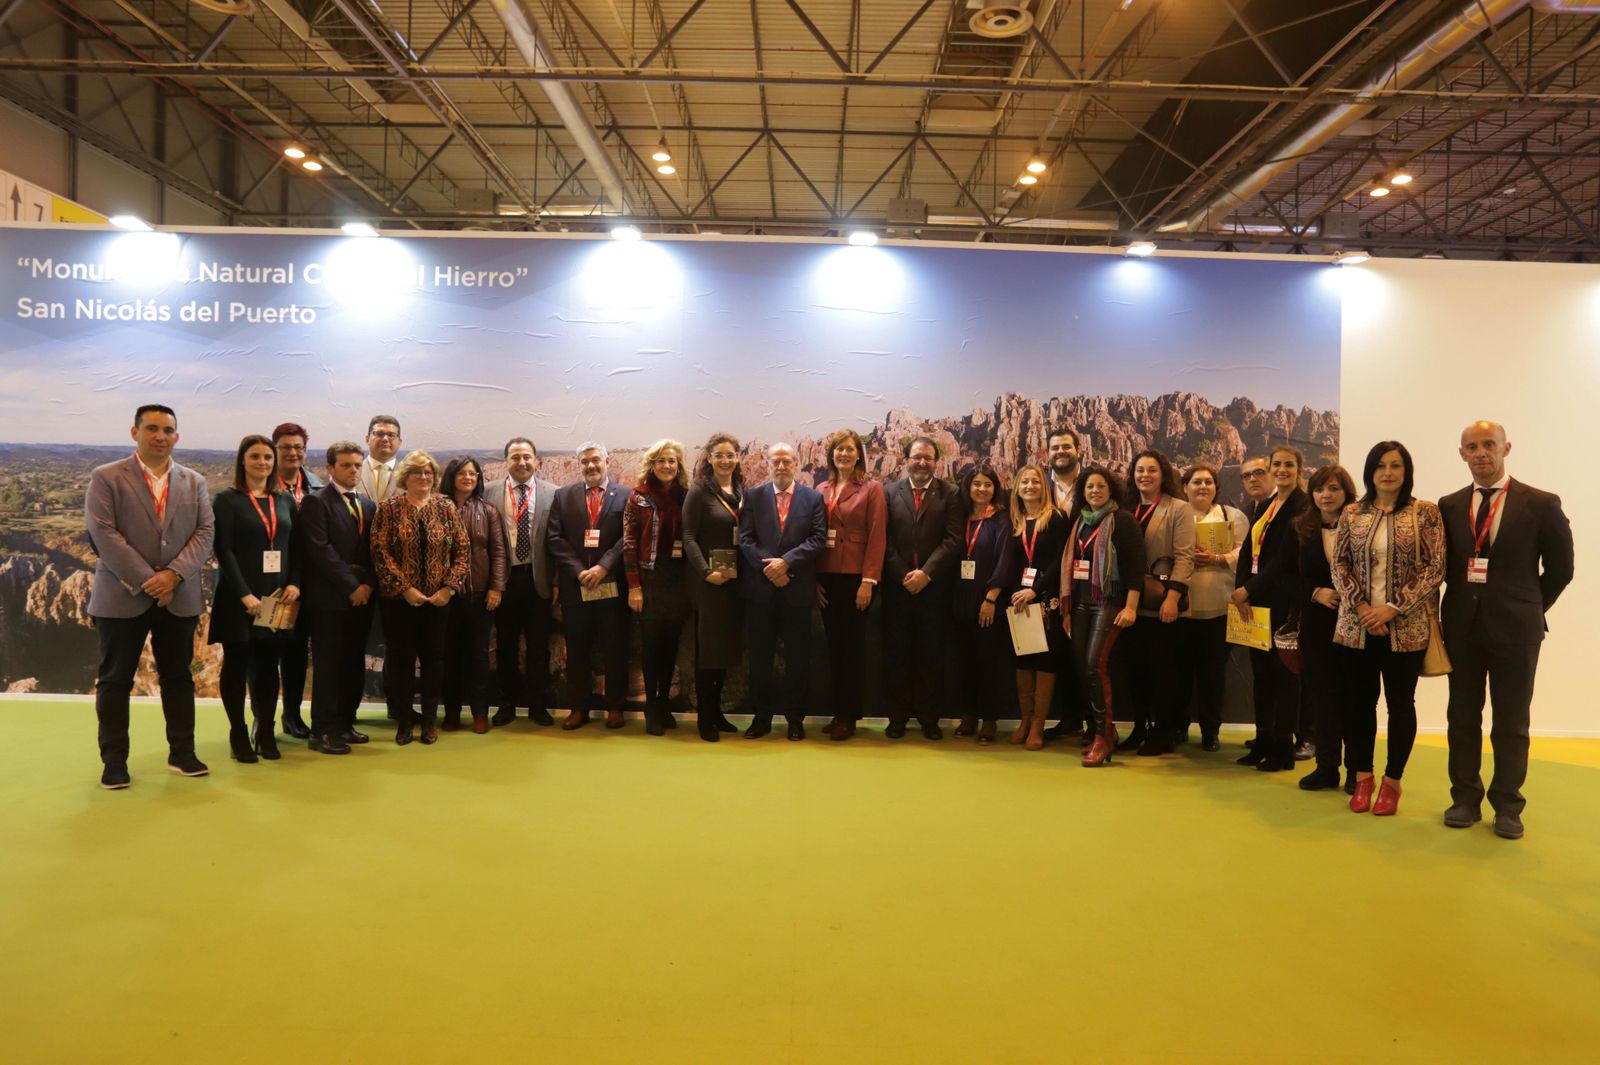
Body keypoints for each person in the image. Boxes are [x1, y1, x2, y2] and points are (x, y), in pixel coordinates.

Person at [1439, 421, 1573, 840]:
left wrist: (1528, 606)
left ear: (1506, 448)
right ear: (1462, 453)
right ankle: (1464, 798)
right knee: (1461, 716)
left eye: (1489, 445)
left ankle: (1508, 805)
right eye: (1472, 446)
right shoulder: (1448, 505)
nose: (1481, 453)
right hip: (1461, 626)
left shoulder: (1541, 503)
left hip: (1517, 630)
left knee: (1511, 721)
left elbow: (1562, 569)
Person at [84, 404, 216, 788]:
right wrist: (149, 579)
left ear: (177, 436)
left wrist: (173, 574)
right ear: (135, 432)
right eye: (152, 428)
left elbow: (205, 532)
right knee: (114, 681)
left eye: (168, 430)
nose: (160, 435)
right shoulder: (106, 477)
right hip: (121, 597)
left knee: (179, 678)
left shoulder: (195, 481)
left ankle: (182, 753)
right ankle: (114, 762)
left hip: (179, 596)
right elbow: (103, 534)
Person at [1331, 442, 1445, 816]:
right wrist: (1363, 608)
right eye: (1380, 466)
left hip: (1406, 628)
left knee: (1400, 705)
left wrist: (1392, 608)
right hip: (1356, 626)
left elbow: (1435, 567)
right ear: (1370, 471)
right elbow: (1339, 564)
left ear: (1406, 470)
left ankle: (1392, 783)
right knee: (1358, 704)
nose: (1388, 473)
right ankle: (1362, 777)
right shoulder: (1351, 513)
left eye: (1396, 465)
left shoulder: (1424, 512)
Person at [208, 434, 300, 764]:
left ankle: (264, 731)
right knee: (236, 665)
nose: (262, 462)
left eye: (268, 457)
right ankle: (237, 732)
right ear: (242, 461)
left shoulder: (285, 500)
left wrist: (295, 584)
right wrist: (245, 594)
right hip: (239, 597)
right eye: (255, 456)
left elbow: (297, 548)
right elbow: (225, 550)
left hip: (277, 597)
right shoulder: (227, 499)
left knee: (268, 667)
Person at [370, 449, 469, 745]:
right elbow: (380, 551)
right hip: (399, 602)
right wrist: (405, 588)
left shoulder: (445, 506)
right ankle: (403, 722)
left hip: (438, 601)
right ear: (405, 477)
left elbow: (462, 550)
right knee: (401, 662)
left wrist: (448, 588)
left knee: (434, 661)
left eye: (428, 472)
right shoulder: (389, 508)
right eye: (417, 473)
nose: (423, 477)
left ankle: (428, 722)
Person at [738, 442, 828, 740]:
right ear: (767, 463)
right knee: (760, 659)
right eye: (775, 461)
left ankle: (795, 720)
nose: (780, 466)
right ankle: (761, 718)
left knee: (798, 660)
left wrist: (786, 564)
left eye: (786, 461)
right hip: (761, 591)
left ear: (797, 462)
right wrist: (770, 569)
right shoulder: (753, 497)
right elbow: (746, 539)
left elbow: (817, 539)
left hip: (796, 591)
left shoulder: (813, 498)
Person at [1231, 446, 1310, 772]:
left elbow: (1284, 560)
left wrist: (1248, 588)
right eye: (1277, 464)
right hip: (1258, 602)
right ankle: (1262, 739)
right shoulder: (1268, 505)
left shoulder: (1302, 505)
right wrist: (1244, 593)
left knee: (1284, 677)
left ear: (1298, 468)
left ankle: (1283, 748)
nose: (1281, 470)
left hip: (1283, 602)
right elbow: (1251, 550)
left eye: (1287, 465)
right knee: (1261, 675)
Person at [297, 441, 378, 755]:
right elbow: (320, 550)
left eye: (357, 465)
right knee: (328, 665)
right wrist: (351, 586)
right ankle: (322, 731)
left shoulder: (368, 506)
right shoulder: (316, 502)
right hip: (330, 598)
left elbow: (375, 551)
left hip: (363, 597)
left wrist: (369, 584)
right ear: (330, 468)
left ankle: (345, 723)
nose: (353, 470)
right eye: (346, 465)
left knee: (352, 663)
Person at [1062, 467, 1144, 767]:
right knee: (1083, 668)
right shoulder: (1080, 523)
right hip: (1081, 604)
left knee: (1096, 665)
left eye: (1100, 486)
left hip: (1109, 603)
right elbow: (1073, 567)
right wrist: (1067, 610)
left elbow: (1136, 568)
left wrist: (1131, 606)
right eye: (1089, 487)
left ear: (1111, 490)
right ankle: (1102, 729)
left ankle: (1103, 737)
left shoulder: (1122, 520)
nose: (1094, 491)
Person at [882, 436, 962, 740]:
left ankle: (930, 719)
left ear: (936, 461)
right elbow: (883, 540)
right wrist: (904, 575)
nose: (922, 462)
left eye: (928, 457)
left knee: (932, 657)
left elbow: (953, 539)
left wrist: (926, 574)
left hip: (935, 591)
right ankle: (897, 718)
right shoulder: (889, 492)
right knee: (897, 656)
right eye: (917, 457)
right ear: (906, 459)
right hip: (897, 590)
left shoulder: (951, 493)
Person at [548, 442, 631, 730]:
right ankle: (578, 708)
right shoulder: (563, 496)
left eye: (596, 460)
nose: (591, 466)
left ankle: (616, 707)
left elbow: (628, 537)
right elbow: (555, 538)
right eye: (585, 462)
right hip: (577, 587)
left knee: (615, 648)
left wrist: (603, 566)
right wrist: (579, 570)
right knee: (577, 649)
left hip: (611, 585)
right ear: (578, 464)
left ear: (607, 461)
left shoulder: (625, 495)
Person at [1121, 449, 1195, 756]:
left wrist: (1173, 599)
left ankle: (1163, 732)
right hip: (1130, 603)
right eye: (1139, 470)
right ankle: (1140, 727)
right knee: (1136, 671)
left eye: (1152, 470)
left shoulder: (1179, 508)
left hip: (1163, 603)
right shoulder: (1126, 509)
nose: (1145, 476)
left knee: (1165, 672)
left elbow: (1186, 557)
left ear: (1163, 474)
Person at [815, 428, 887, 741]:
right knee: (834, 649)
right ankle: (838, 712)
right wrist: (813, 580)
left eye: (849, 449)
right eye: (838, 449)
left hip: (857, 578)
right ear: (831, 455)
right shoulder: (821, 488)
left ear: (859, 454)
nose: (844, 454)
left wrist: (868, 581)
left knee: (853, 650)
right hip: (827, 577)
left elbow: (877, 535)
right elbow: (814, 536)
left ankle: (849, 715)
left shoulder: (871, 488)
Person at [1293, 465, 1358, 793]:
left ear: (1347, 492)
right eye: (1319, 489)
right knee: (1324, 699)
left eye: (1333, 488)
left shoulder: (1364, 525)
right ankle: (1327, 767)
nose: (1326, 495)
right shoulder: (1300, 529)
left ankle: (1357, 772)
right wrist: (1315, 592)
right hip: (1318, 627)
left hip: (1359, 624)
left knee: (1356, 700)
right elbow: (1286, 576)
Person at [1176, 464, 1249, 752]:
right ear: (1185, 487)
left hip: (1220, 609)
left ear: (1216, 487)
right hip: (1182, 608)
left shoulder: (1233, 516)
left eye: (1208, 482)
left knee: (1213, 677)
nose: (1202, 487)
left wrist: (1217, 558)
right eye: (1196, 482)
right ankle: (1179, 727)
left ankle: (1211, 732)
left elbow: (1245, 552)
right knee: (1179, 675)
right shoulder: (1176, 515)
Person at [681, 432, 747, 742]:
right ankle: (704, 717)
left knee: (725, 649)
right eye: (718, 455)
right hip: (709, 582)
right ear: (709, 458)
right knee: (708, 651)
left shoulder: (742, 490)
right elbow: (689, 538)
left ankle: (718, 712)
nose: (724, 460)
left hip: (735, 581)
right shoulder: (698, 492)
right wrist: (707, 573)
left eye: (730, 455)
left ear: (737, 457)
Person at [624, 439, 691, 736]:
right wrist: (634, 586)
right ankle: (651, 706)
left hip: (679, 580)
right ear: (652, 464)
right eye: (661, 460)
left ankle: (664, 703)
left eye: (672, 461)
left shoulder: (687, 497)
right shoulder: (638, 498)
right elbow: (628, 544)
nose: (667, 466)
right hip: (651, 578)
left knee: (671, 646)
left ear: (679, 466)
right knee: (651, 648)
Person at [493, 438, 558, 727]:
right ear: (506, 461)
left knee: (538, 647)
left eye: (527, 457)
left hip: (539, 579)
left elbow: (557, 541)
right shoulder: (488, 492)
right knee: (505, 645)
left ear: (537, 460)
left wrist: (556, 581)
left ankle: (537, 705)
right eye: (515, 457)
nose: (521, 462)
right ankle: (507, 703)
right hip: (503, 580)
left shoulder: (554, 494)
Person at [950, 464, 1016, 746]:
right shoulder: (960, 517)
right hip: (959, 598)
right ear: (968, 487)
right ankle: (968, 715)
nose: (981, 489)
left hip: (989, 600)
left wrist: (991, 597)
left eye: (987, 484)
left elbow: (1006, 560)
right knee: (964, 661)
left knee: (988, 662)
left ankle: (989, 719)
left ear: (995, 488)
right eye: (976, 484)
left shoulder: (1001, 519)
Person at [440, 455, 506, 733]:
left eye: (473, 474)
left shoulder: (488, 511)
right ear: (451, 476)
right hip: (444, 596)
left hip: (479, 595)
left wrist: (496, 587)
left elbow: (498, 552)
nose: (468, 478)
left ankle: (480, 712)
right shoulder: (437, 507)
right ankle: (452, 712)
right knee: (449, 656)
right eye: (462, 473)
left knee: (479, 657)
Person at [1004, 464, 1068, 750]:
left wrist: (1035, 589)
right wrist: (1018, 592)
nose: (1030, 486)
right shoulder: (1015, 521)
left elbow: (1060, 562)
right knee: (1023, 660)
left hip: (1046, 601)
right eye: (1024, 482)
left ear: (1045, 487)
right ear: (1017, 488)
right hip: (1019, 602)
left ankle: (1038, 727)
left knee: (1045, 661)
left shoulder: (1055, 518)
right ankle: (1025, 721)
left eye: (1035, 482)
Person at [271, 422, 321, 740]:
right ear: (276, 449)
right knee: (264, 653)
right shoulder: (260, 487)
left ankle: (291, 714)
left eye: (298, 447)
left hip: (307, 584)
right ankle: (261, 719)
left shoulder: (316, 487)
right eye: (286, 447)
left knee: (296, 652)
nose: (292, 453)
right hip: (273, 584)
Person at [1041, 427, 1087, 740]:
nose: (1061, 452)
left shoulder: (1093, 483)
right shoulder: (1039, 484)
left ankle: (1090, 722)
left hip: (1087, 580)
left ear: (1078, 449)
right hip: (1048, 580)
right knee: (1056, 652)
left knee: (1085, 654)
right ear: (1048, 452)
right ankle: (1068, 719)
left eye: (1066, 446)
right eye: (1055, 447)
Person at [357, 414, 404, 502]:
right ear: (367, 439)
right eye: (379, 434)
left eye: (391, 435)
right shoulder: (349, 472)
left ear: (399, 442)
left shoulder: (410, 476)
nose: (385, 439)